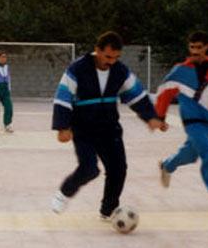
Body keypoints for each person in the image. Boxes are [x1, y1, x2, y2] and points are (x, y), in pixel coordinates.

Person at [50, 31, 167, 220]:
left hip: (109, 128)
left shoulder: (120, 71)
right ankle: (64, 193)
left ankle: (108, 210)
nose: (111, 61)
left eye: (116, 57)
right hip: (83, 128)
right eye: (108, 56)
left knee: (118, 169)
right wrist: (62, 127)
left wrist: (151, 117)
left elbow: (136, 94)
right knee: (90, 169)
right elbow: (63, 96)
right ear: (97, 50)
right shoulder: (77, 69)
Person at [156, 31, 208, 210]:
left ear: (207, 47)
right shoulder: (180, 70)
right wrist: (160, 117)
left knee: (191, 155)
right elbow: (164, 92)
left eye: (199, 47)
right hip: (191, 121)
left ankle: (167, 166)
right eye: (192, 47)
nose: (195, 51)